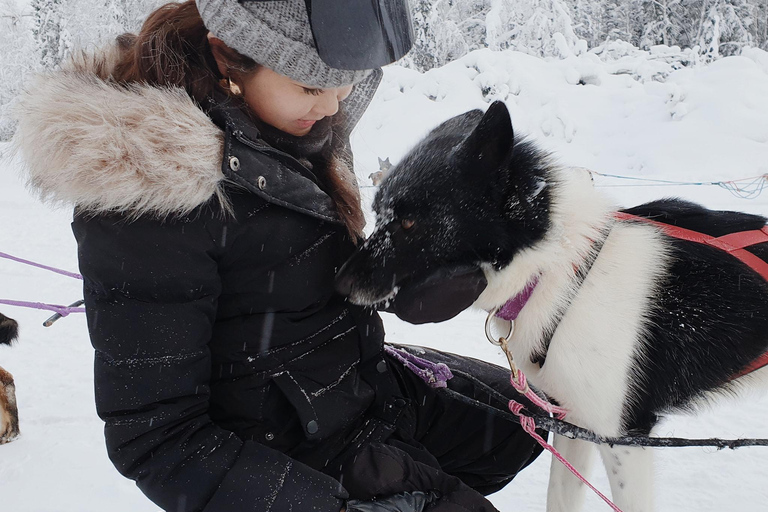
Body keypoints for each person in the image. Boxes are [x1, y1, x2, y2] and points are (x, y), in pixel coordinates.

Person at [13, 1, 542, 510]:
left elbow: (276, 284)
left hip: (356, 386)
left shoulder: (288, 125)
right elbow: (157, 439)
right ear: (226, 58)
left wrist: (396, 287)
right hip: (288, 452)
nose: (333, 104)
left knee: (525, 420)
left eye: (345, 81)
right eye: (312, 85)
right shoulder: (151, 195)